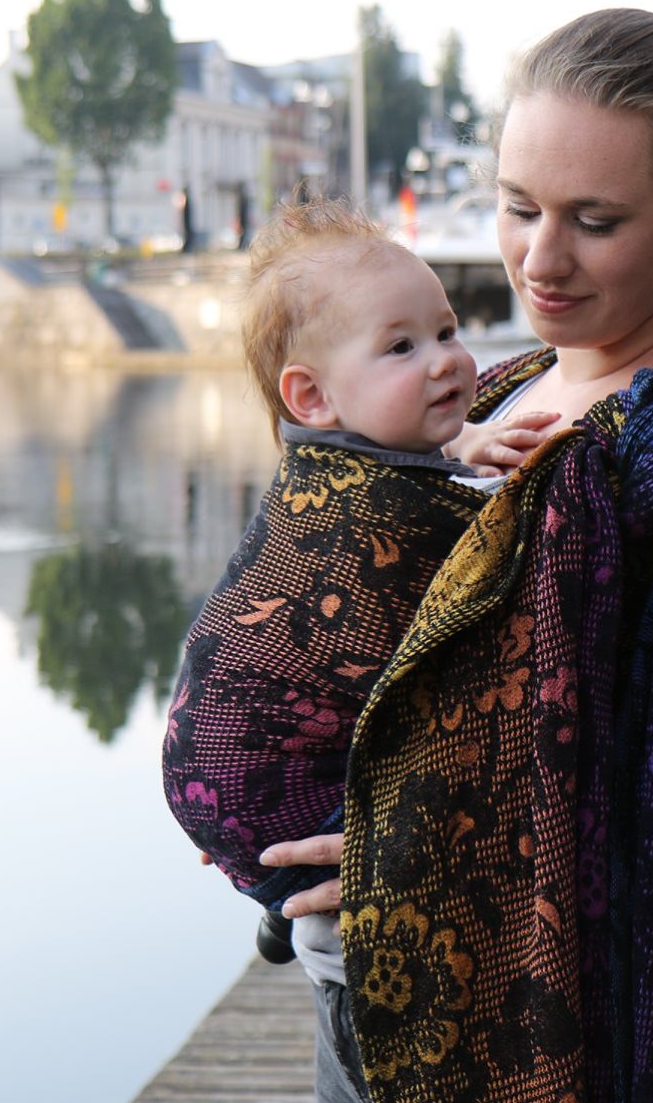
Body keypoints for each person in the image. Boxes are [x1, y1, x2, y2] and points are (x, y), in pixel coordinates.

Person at [262, 9, 653, 1101]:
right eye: (518, 208)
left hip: (582, 1057)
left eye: (595, 221)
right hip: (376, 1015)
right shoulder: (495, 398)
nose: (539, 261)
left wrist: (435, 864)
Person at [160, 201, 503, 987]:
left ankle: (277, 903)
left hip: (217, 766)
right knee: (361, 914)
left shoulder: (320, 465)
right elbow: (503, 538)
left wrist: (463, 439)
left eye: (447, 331)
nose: (446, 361)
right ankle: (297, 911)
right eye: (401, 346)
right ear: (312, 397)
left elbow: (425, 458)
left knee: (296, 870)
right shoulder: (394, 512)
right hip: (286, 783)